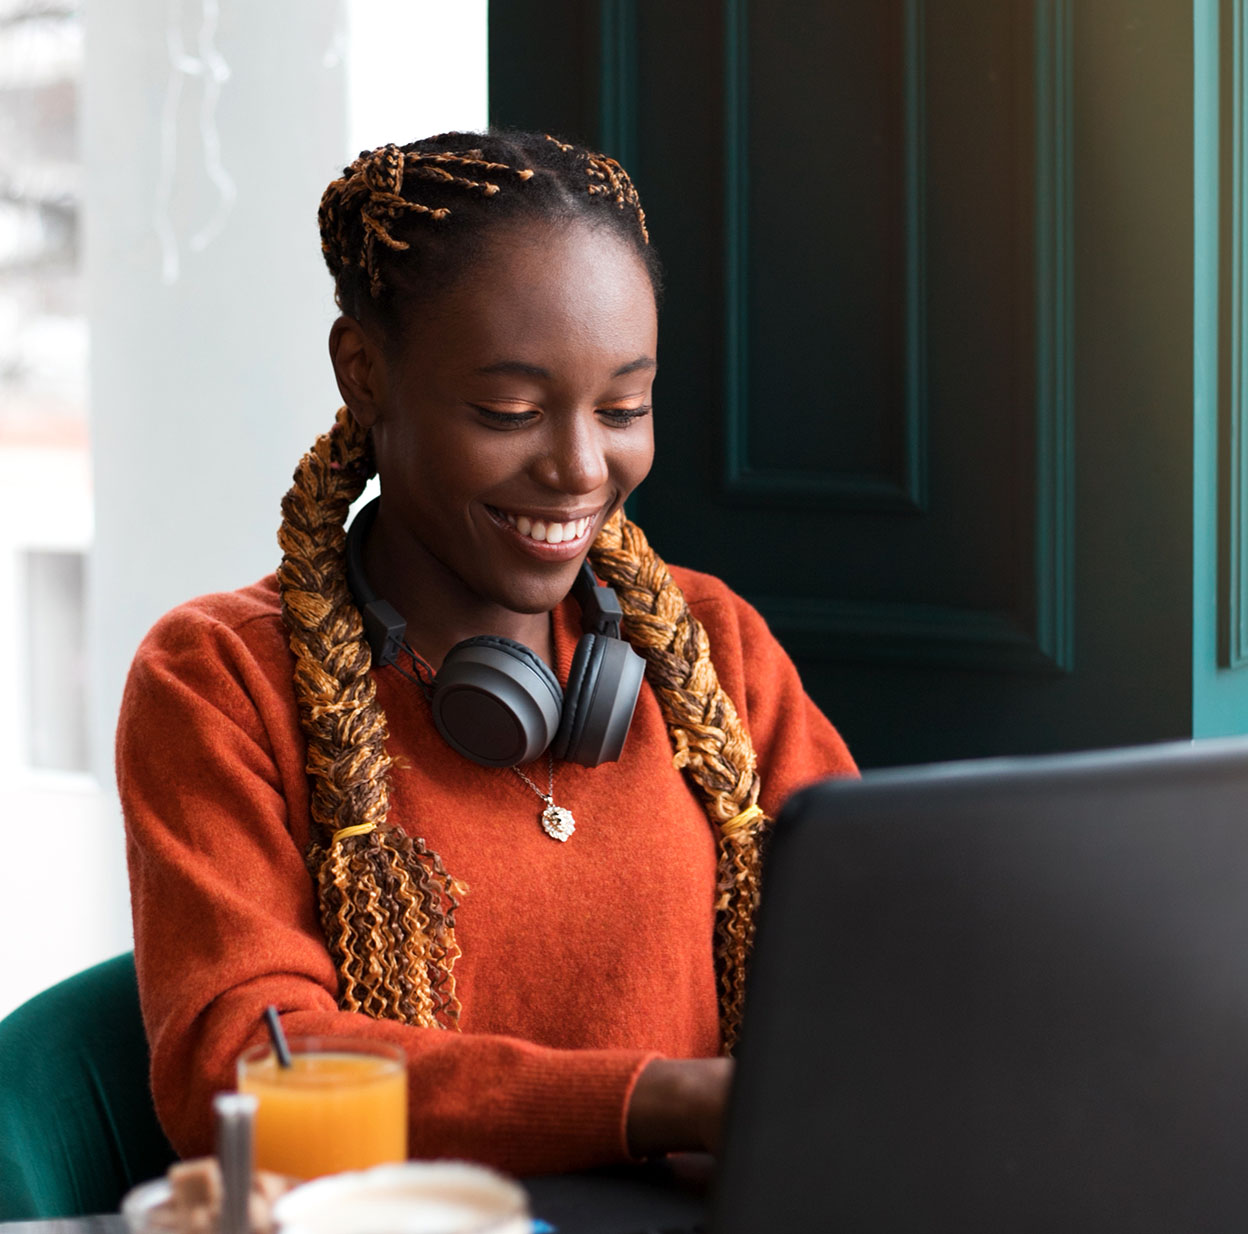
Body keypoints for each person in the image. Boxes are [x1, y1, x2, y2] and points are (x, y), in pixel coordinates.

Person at [117, 130, 857, 1176]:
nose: (580, 467)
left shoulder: (713, 643)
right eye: (510, 412)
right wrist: (655, 1100)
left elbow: (878, 953)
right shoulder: (217, 681)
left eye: (624, 407)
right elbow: (247, 1069)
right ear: (364, 374)